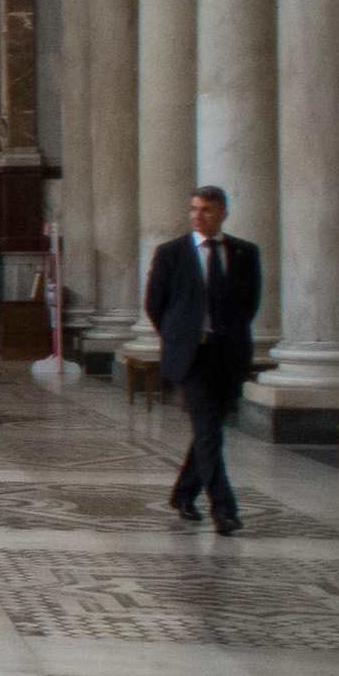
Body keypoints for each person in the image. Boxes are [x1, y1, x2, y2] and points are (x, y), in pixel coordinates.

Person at [144, 183, 262, 536]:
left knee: (209, 430)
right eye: (194, 209)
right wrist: (180, 335)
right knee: (209, 430)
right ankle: (223, 509)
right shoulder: (171, 253)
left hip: (226, 354)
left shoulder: (244, 253)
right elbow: (155, 304)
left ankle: (183, 493)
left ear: (223, 212)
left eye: (206, 210)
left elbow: (249, 303)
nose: (198, 216)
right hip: (191, 355)